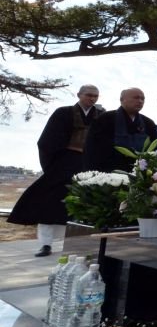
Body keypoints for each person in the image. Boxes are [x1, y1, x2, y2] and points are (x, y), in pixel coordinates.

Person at [9, 85, 102, 257]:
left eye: (96, 96)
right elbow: (46, 141)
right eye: (89, 95)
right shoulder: (63, 113)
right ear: (79, 94)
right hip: (63, 163)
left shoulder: (101, 116)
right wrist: (52, 167)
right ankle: (46, 244)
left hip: (88, 164)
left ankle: (81, 243)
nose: (93, 99)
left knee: (84, 204)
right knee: (49, 205)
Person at [83, 88, 157, 172]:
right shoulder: (105, 119)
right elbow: (91, 148)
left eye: (142, 99)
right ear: (122, 99)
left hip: (139, 173)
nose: (140, 101)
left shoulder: (148, 123)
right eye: (136, 97)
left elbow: (154, 151)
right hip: (108, 171)